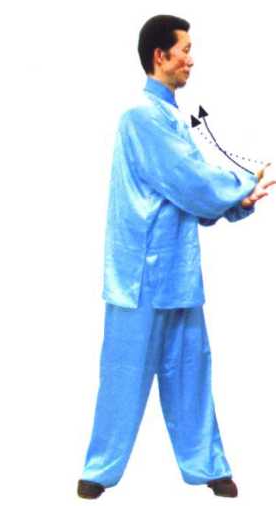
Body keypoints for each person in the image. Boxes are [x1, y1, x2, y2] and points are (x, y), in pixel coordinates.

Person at [77, 14, 275, 500]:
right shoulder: (141, 117)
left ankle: (207, 465)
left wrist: (238, 201)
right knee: (124, 374)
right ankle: (99, 470)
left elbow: (193, 189)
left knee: (191, 369)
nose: (191, 59)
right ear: (159, 55)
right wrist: (241, 186)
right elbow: (188, 179)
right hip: (139, 275)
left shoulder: (171, 119)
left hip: (178, 270)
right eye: (184, 49)